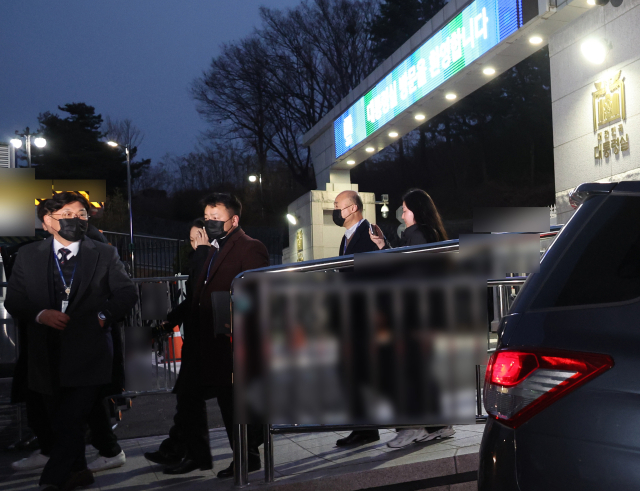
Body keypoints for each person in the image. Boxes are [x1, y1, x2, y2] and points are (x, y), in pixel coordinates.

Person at [5, 192, 138, 490]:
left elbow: (126, 293)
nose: (75, 221)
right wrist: (40, 314)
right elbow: (15, 299)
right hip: (46, 354)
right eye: (66, 215)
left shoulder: (103, 253)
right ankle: (78, 471)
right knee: (62, 421)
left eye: (81, 215)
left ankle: (52, 479)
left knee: (69, 419)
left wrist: (102, 317)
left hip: (90, 352)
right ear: (47, 222)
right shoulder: (28, 255)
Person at [145, 194, 269, 479]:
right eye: (207, 217)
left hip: (229, 340)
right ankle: (190, 453)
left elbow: (255, 292)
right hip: (203, 340)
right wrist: (169, 322)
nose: (210, 223)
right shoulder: (211, 250)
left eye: (216, 218)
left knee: (230, 401)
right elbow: (197, 296)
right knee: (189, 396)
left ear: (234, 220)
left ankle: (246, 455)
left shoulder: (250, 247)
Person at [369, 188, 455, 449]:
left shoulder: (417, 235)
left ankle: (410, 427)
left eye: (405, 210)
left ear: (416, 212)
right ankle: (438, 424)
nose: (402, 214)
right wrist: (385, 246)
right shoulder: (429, 233)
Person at [144, 218, 211, 465]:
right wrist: (168, 322)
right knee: (187, 399)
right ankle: (177, 448)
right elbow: (191, 300)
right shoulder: (202, 257)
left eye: (199, 238)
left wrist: (203, 252)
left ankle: (191, 454)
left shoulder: (208, 258)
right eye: (192, 240)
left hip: (207, 341)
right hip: (197, 340)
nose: (195, 244)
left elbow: (200, 296)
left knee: (189, 398)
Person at [332, 190, 381, 447]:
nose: (335, 211)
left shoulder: (370, 233)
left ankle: (366, 427)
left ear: (352, 209)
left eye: (338, 206)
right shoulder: (346, 238)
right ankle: (362, 426)